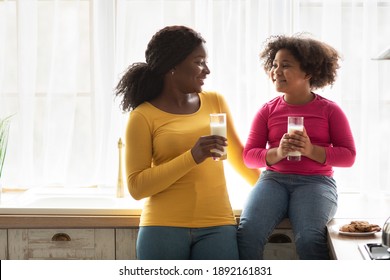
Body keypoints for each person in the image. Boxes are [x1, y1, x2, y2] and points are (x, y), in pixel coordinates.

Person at [115, 25, 260, 260]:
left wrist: (277, 194)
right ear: (172, 65)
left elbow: (240, 157)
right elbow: (137, 187)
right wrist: (192, 156)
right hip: (162, 227)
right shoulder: (142, 116)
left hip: (218, 225)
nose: (207, 70)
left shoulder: (215, 102)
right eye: (199, 62)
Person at [237, 34, 356, 260]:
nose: (276, 71)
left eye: (285, 65)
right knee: (247, 233)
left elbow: (348, 156)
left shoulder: (330, 110)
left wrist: (311, 150)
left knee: (310, 238)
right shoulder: (267, 110)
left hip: (316, 182)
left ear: (308, 72)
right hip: (274, 180)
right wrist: (278, 153)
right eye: (274, 65)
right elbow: (249, 156)